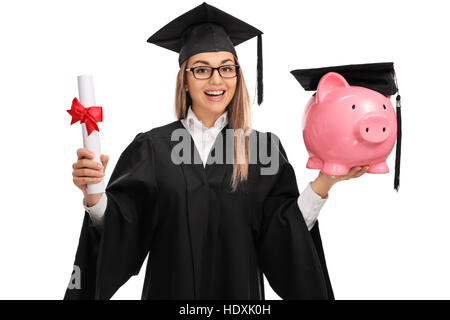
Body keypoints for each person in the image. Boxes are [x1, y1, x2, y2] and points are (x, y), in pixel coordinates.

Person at [65, 2, 368, 300]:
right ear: (184, 80)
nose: (216, 80)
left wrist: (323, 183)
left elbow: (283, 235)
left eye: (226, 68)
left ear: (237, 76)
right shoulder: (152, 148)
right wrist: (94, 196)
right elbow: (123, 229)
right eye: (201, 70)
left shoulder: (263, 150)